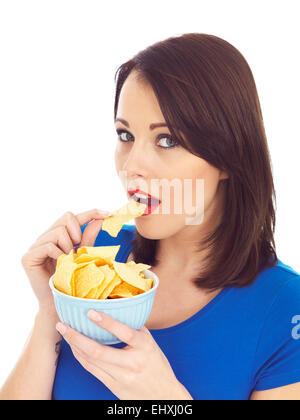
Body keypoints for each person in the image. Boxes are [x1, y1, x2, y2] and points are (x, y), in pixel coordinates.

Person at [1, 33, 300, 400]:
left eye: (167, 140)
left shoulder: (284, 307)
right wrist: (54, 307)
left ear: (228, 155)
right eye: (125, 134)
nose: (132, 165)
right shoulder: (93, 254)